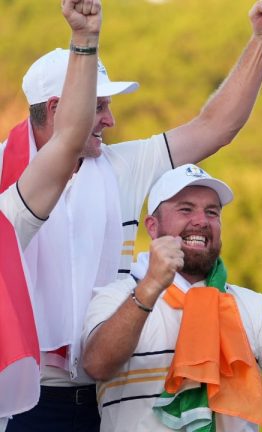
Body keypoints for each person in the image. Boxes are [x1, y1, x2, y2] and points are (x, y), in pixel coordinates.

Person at [1, 1, 262, 430]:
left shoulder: (123, 165)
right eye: (98, 106)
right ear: (58, 107)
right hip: (20, 393)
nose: (111, 120)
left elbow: (215, 127)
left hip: (102, 391)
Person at [80, 164, 262, 432]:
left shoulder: (250, 305)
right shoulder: (117, 296)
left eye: (212, 212)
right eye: (185, 209)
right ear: (152, 226)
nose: (201, 221)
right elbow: (96, 365)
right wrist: (150, 287)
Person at [0, 0, 102, 429]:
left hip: (81, 389)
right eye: (100, 106)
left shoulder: (10, 211)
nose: (110, 120)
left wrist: (84, 41)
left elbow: (65, 144)